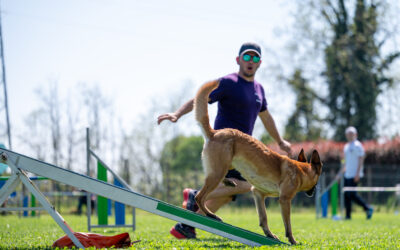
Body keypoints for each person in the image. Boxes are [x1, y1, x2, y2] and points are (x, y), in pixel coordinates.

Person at [157, 42, 292, 239]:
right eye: (247, 57)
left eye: (255, 58)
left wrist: (280, 141)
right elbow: (200, 99)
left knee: (228, 193)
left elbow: (266, 117)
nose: (251, 61)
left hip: (243, 150)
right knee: (250, 185)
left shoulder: (259, 89)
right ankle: (196, 196)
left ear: (260, 63)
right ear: (238, 60)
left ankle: (185, 225)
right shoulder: (229, 82)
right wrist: (177, 114)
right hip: (223, 145)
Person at [342, 126, 373, 220]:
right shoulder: (346, 146)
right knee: (346, 195)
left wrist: (357, 173)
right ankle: (348, 216)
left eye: (351, 133)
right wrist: (341, 173)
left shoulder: (358, 145)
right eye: (348, 134)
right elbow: (346, 162)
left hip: (355, 174)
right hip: (347, 174)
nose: (350, 135)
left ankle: (367, 207)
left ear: (355, 134)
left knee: (352, 194)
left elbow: (361, 159)